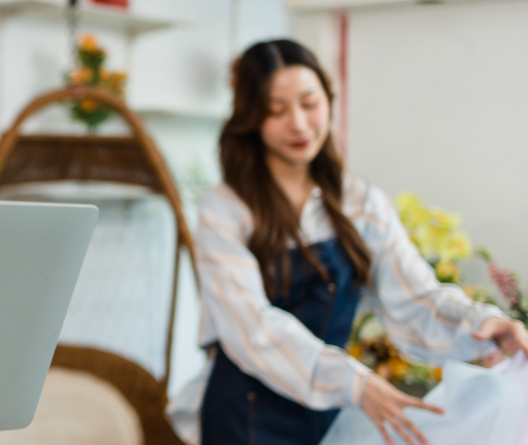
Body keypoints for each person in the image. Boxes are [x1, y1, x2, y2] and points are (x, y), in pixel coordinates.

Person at [175, 39, 528, 445]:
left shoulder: (359, 201)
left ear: (328, 100)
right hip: (245, 418)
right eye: (276, 110)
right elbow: (251, 328)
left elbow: (415, 298)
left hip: (328, 415)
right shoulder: (225, 210)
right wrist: (355, 383)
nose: (299, 124)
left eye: (310, 104)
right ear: (251, 117)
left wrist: (484, 323)